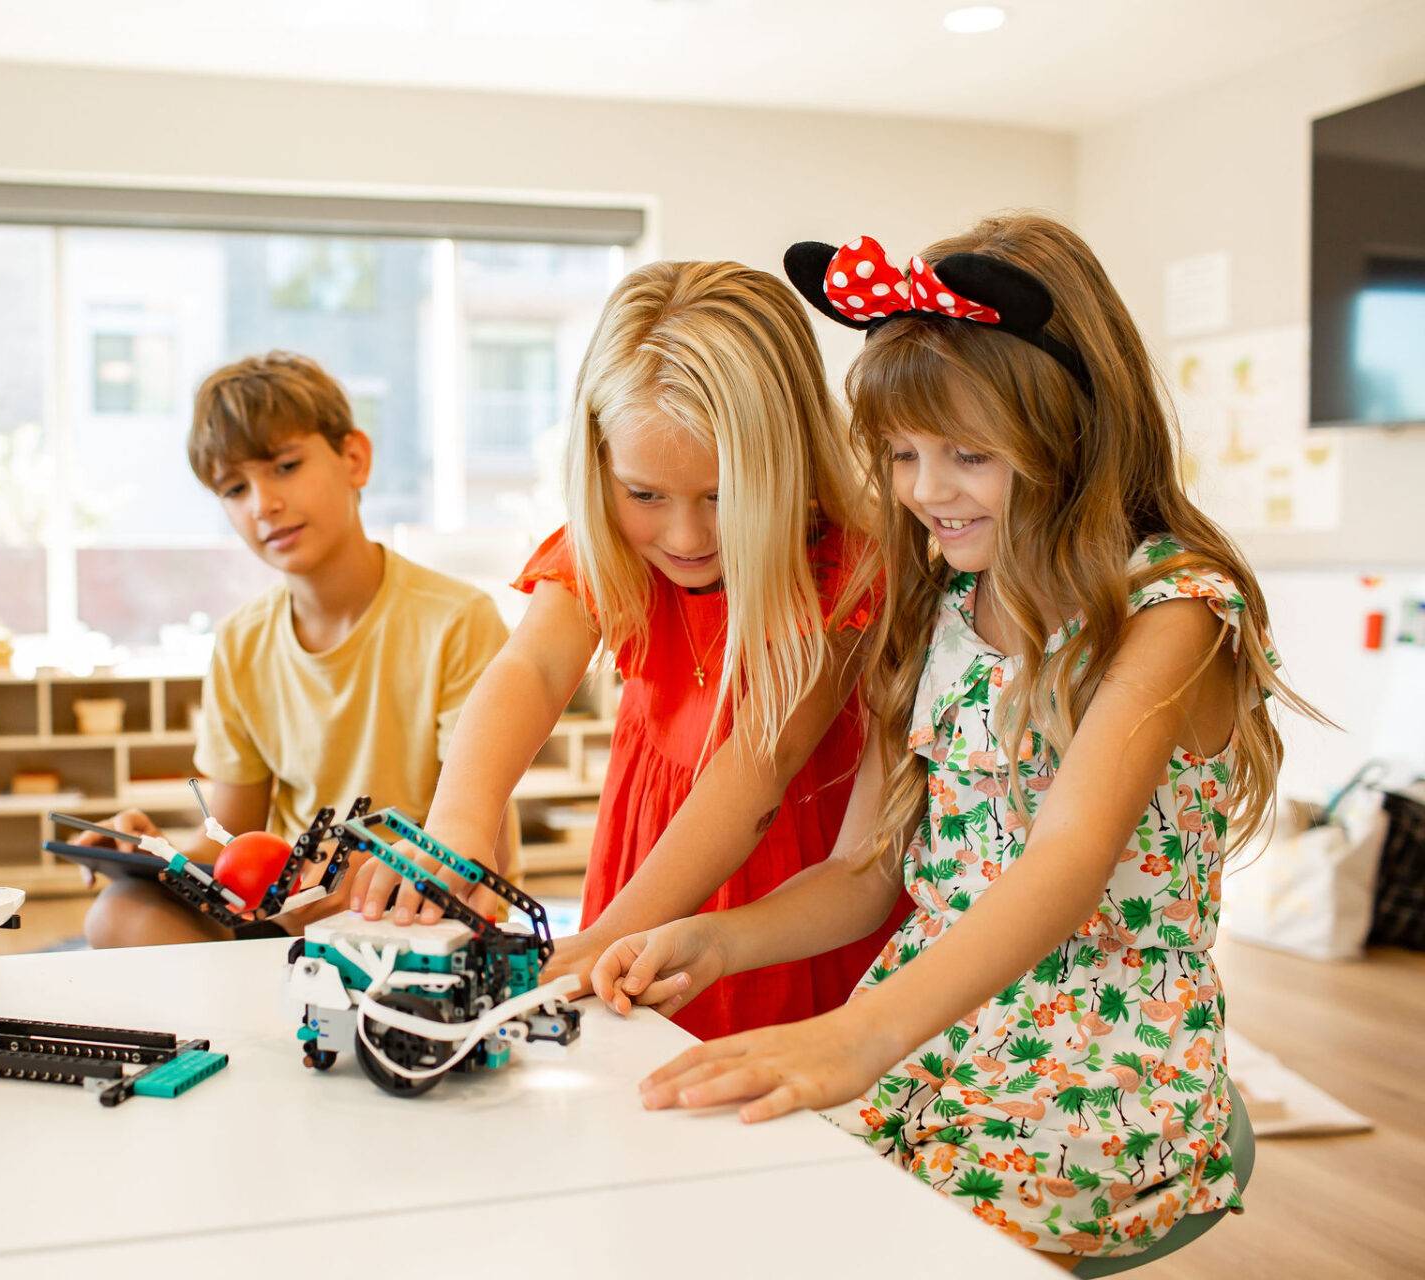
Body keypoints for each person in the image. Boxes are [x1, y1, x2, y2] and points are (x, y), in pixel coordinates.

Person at [597, 215, 1321, 1263]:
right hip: (931, 1037)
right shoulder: (940, 606)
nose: (926, 489)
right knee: (738, 1208)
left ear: (1071, 427)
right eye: (901, 454)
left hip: (1104, 1069)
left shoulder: (1174, 611)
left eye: (968, 454)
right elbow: (863, 869)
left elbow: (1066, 864)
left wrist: (859, 1032)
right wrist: (721, 937)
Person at [354, 260, 903, 1040]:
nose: (684, 538)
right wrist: (458, 826)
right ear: (599, 461)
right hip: (644, 861)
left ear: (793, 461)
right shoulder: (609, 539)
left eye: (722, 497)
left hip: (774, 904)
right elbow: (532, 669)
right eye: (646, 494)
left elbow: (757, 769)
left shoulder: (840, 573)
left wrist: (609, 935)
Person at [80, 351, 509, 947]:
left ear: (354, 459)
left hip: (411, 908)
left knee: (354, 883)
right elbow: (233, 839)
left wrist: (351, 877)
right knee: (118, 911)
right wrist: (160, 853)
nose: (262, 504)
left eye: (284, 466)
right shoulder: (241, 642)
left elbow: (487, 842)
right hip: (284, 910)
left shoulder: (458, 621)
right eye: (234, 488)